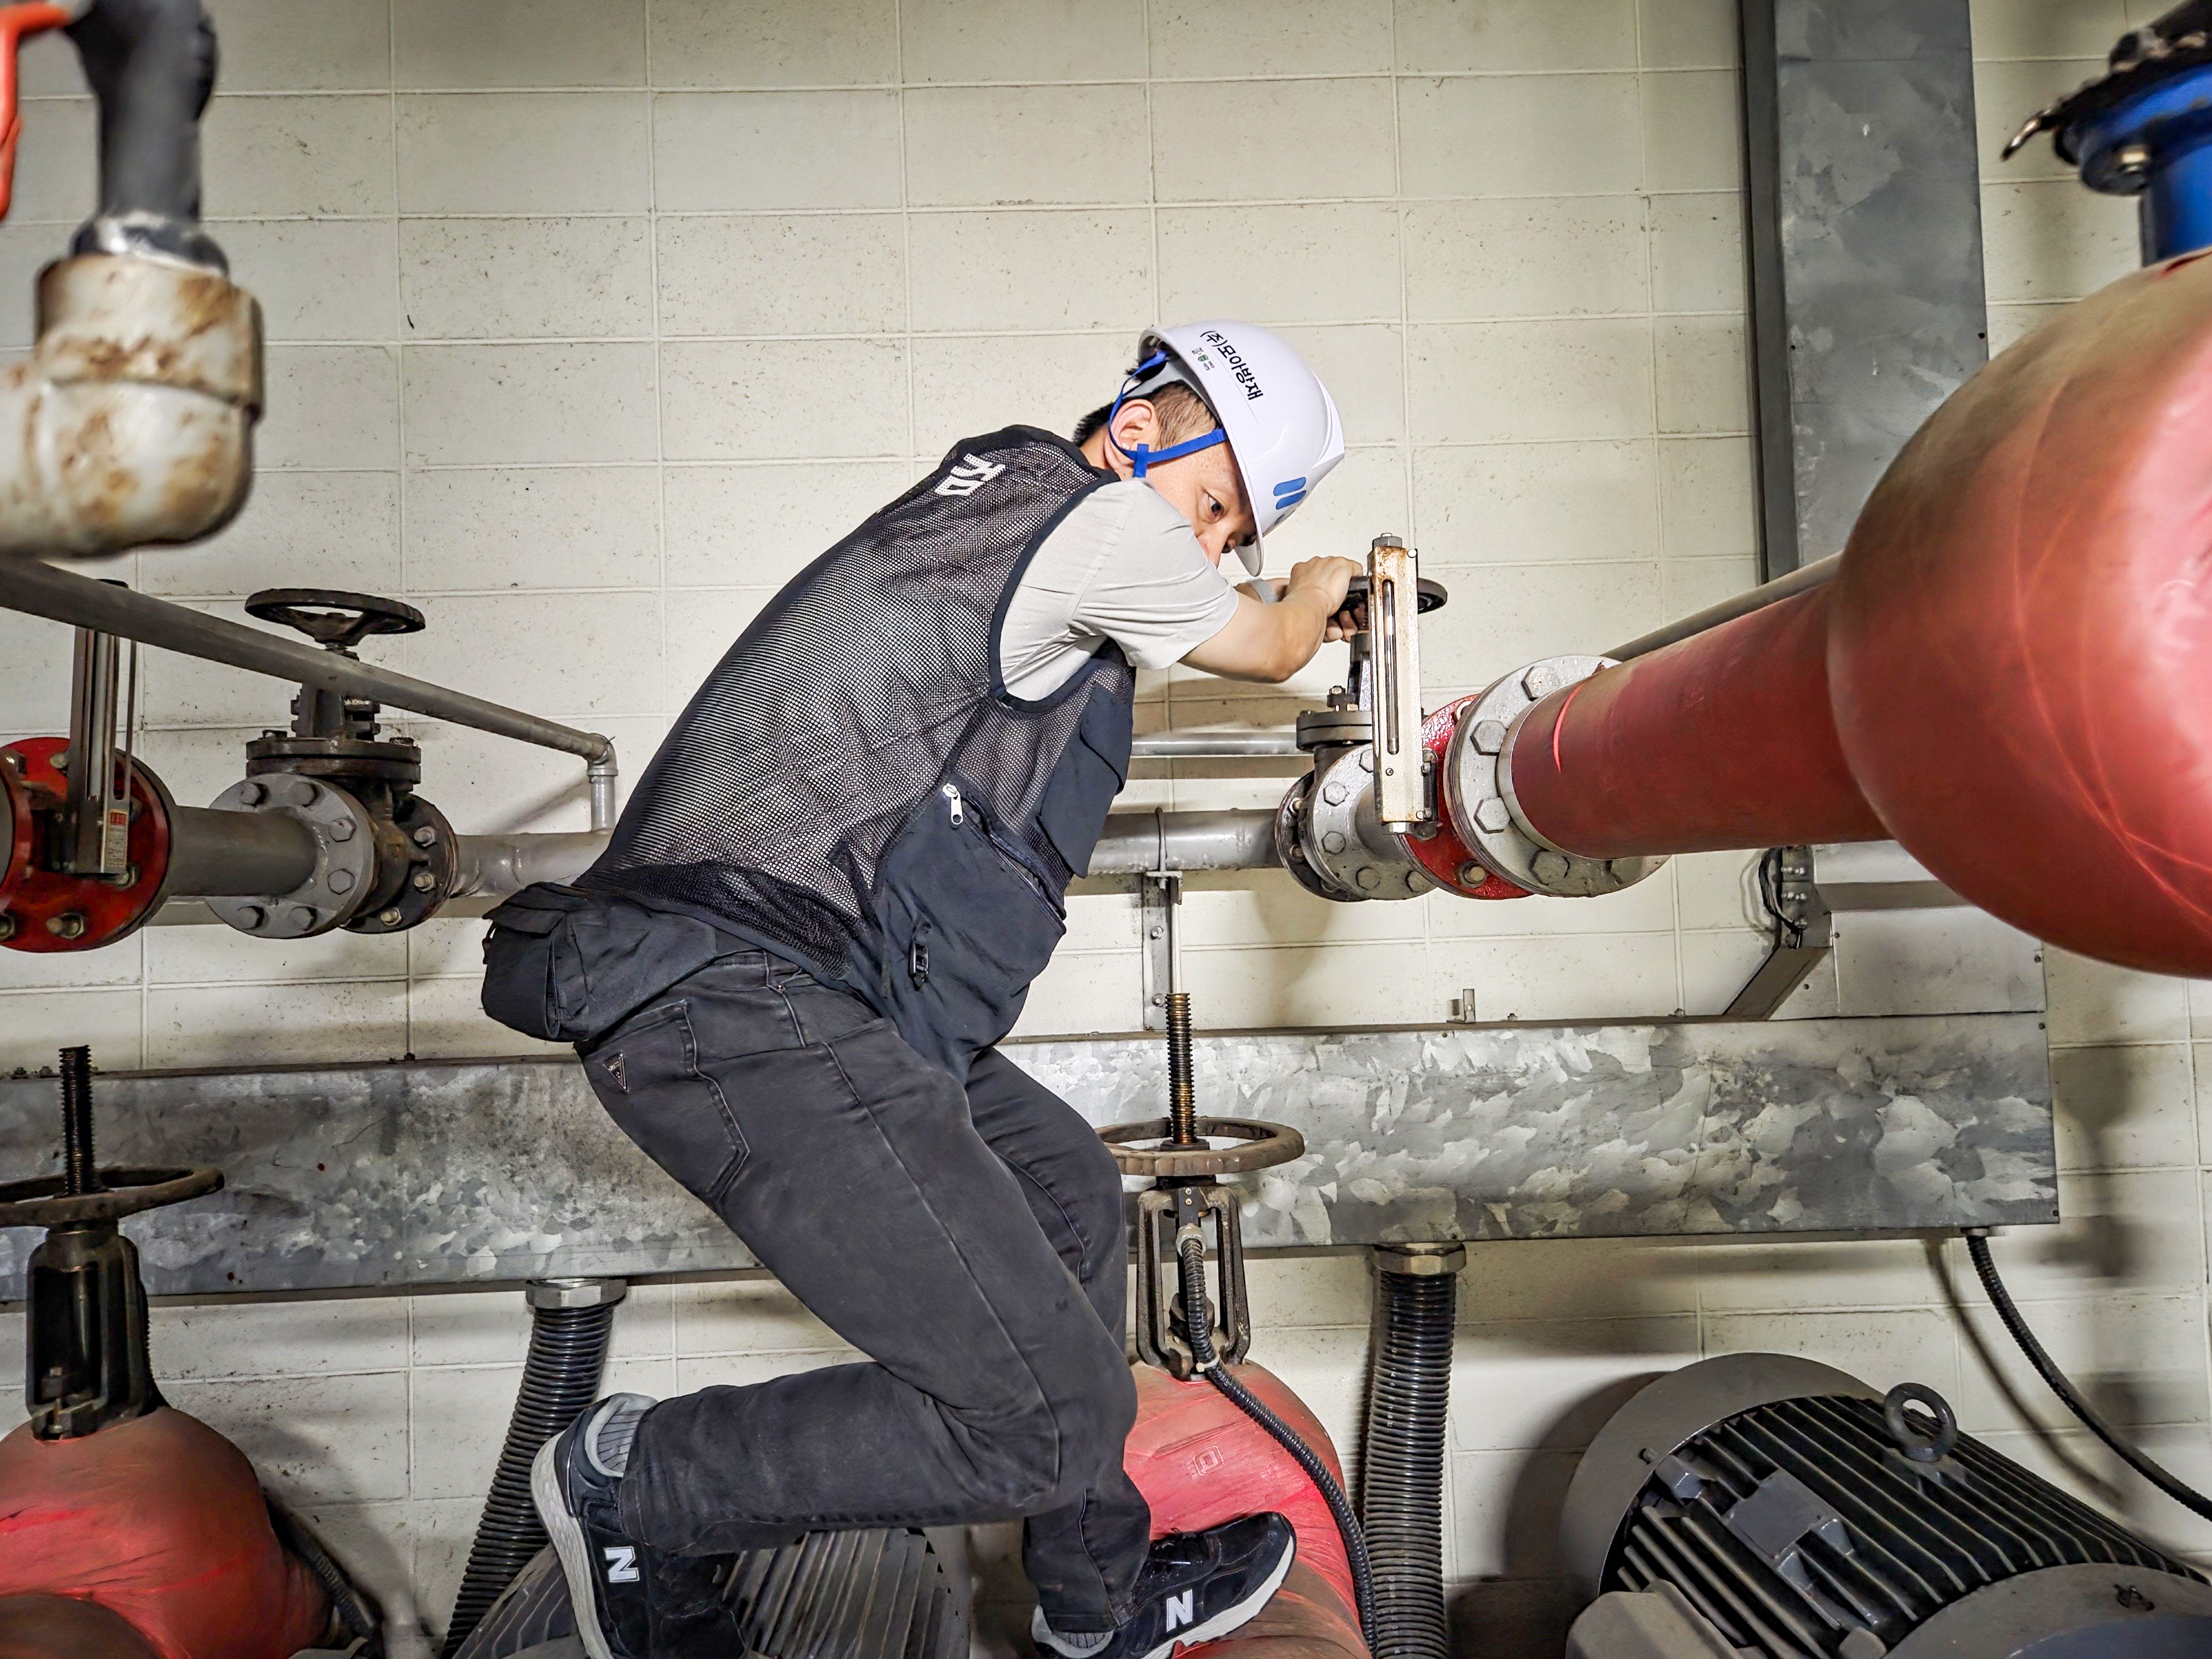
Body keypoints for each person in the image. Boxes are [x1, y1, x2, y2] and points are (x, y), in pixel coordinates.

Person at [479, 321, 1365, 1659]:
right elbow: (1269, 648)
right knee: (1044, 1421)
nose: (1208, 545)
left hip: (816, 986)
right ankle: (634, 1481)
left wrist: (1246, 558)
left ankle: (1092, 1604)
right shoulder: (1096, 519)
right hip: (725, 993)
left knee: (1065, 1187)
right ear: (1136, 432)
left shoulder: (1006, 512)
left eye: (1233, 531)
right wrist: (1314, 588)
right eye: (1212, 505)